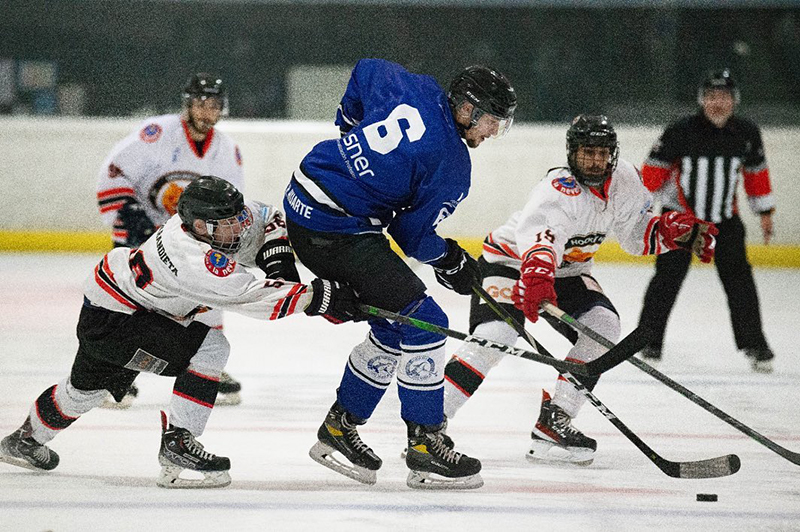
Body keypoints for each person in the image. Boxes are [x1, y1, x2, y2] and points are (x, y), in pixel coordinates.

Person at [0, 176, 362, 488]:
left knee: (86, 390)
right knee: (210, 348)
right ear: (201, 226)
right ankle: (179, 445)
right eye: (227, 222)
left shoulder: (203, 223)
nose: (238, 227)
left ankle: (24, 441)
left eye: (236, 217)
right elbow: (250, 297)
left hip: (112, 304)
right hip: (118, 320)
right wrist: (319, 296)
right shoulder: (191, 257)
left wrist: (278, 259)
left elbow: (266, 217)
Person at [283, 59, 516, 489]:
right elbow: (409, 235)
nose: (490, 134)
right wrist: (450, 260)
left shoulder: (417, 87)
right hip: (335, 227)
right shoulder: (452, 164)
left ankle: (340, 427)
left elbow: (365, 69)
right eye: (491, 123)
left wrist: (348, 126)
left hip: (304, 190)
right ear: (467, 110)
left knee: (396, 324)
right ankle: (425, 445)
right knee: (428, 322)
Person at [441, 115, 717, 465]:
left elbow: (635, 235)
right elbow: (542, 239)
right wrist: (538, 278)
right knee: (496, 336)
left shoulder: (625, 181)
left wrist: (669, 231)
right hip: (511, 263)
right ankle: (430, 424)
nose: (596, 161)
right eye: (588, 152)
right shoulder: (558, 189)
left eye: (603, 154)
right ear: (572, 152)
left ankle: (555, 419)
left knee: (604, 327)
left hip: (569, 272)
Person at [96, 72, 246, 406]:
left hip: (182, 238)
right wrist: (126, 215)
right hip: (141, 229)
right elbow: (113, 170)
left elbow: (231, 206)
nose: (208, 111)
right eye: (202, 103)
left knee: (209, 287)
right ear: (188, 104)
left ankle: (205, 366)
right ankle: (111, 370)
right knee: (135, 299)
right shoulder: (158, 134)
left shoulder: (227, 151)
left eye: (215, 105)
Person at [637, 68, 777, 373]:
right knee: (666, 280)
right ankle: (647, 340)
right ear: (702, 100)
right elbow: (653, 172)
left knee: (740, 284)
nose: (718, 103)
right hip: (681, 222)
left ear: (734, 101)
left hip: (725, 222)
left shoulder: (746, 133)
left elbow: (756, 174)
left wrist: (764, 213)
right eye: (712, 96)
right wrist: (639, 208)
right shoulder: (680, 130)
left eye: (724, 96)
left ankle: (755, 344)